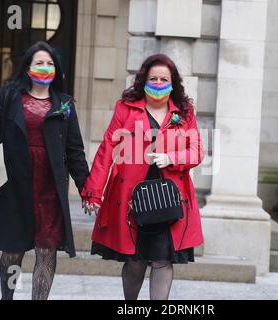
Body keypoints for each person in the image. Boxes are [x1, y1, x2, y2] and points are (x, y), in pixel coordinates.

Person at [81, 54, 204, 300]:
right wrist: (93, 193)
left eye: (164, 79)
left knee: (162, 260)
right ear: (144, 80)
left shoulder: (184, 111)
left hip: (169, 199)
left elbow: (197, 151)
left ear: (173, 82)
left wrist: (172, 158)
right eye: (153, 79)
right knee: (135, 261)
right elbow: (107, 149)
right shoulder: (125, 108)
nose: (158, 84)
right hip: (131, 199)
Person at [0, 41, 89, 300]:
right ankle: (8, 297)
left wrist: (87, 189)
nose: (45, 67)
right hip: (15, 184)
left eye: (49, 63)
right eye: (39, 62)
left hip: (50, 187)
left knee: (46, 250)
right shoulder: (7, 96)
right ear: (27, 67)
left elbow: (75, 152)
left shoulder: (65, 103)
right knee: (13, 249)